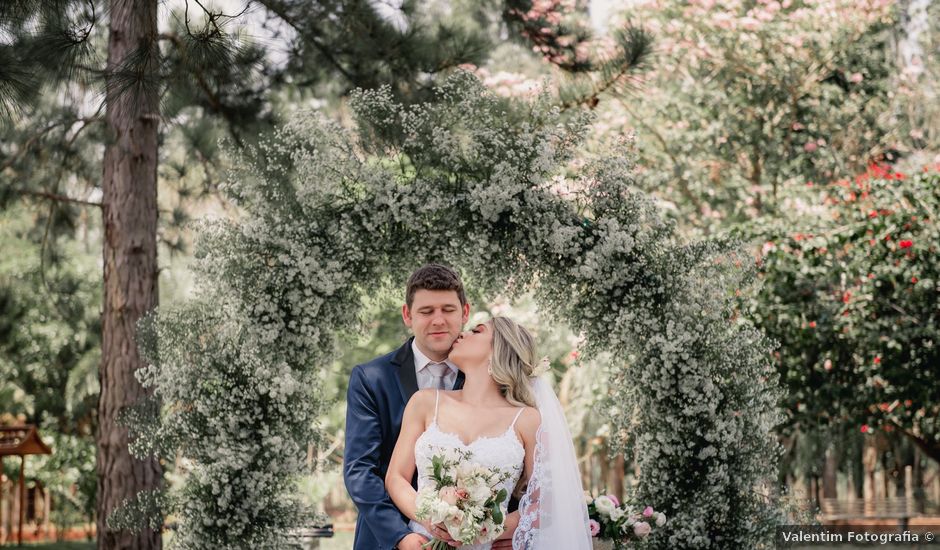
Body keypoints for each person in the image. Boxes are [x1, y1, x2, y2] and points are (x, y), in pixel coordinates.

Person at [386, 316, 593, 550]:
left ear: (499, 349)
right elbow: (396, 478)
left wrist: (488, 529)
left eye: (477, 331)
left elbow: (546, 500)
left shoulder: (527, 419)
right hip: (424, 544)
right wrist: (429, 519)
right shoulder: (424, 402)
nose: (462, 334)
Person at [344, 264, 472, 550]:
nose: (438, 320)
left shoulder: (486, 376)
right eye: (426, 311)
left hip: (470, 537)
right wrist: (400, 536)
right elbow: (360, 469)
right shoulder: (370, 378)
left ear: (465, 312)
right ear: (407, 315)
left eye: (448, 310)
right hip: (388, 538)